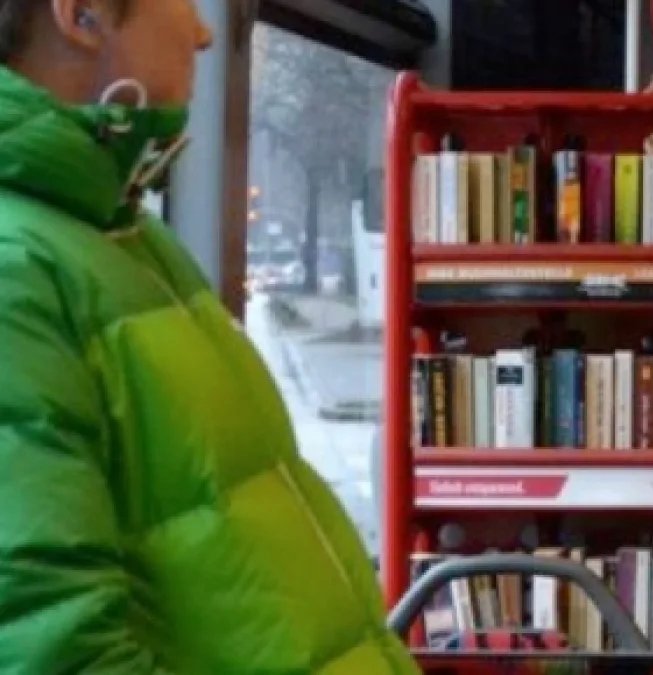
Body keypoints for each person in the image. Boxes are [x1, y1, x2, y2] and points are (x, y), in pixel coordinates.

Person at [0, 1, 419, 673]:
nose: (202, 34)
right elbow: (49, 648)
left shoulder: (125, 235)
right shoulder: (20, 269)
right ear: (80, 15)